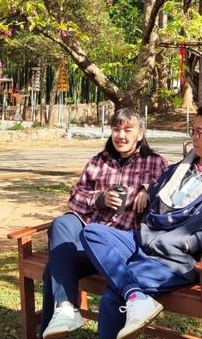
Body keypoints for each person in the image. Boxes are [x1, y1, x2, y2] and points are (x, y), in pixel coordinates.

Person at [79, 104, 202, 339]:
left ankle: (130, 293)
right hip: (146, 240)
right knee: (93, 233)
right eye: (192, 131)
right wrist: (144, 188)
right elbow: (156, 189)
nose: (193, 137)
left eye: (199, 132)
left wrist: (188, 242)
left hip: (178, 259)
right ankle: (136, 295)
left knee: (112, 298)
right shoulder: (181, 170)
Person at [41, 107, 167, 339]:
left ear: (140, 134)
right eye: (116, 129)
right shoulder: (99, 162)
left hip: (120, 246)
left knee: (53, 269)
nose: (121, 135)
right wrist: (100, 198)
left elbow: (169, 196)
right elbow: (75, 198)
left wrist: (149, 189)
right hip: (89, 240)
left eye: (128, 130)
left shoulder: (154, 162)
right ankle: (67, 309)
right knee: (61, 224)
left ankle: (52, 324)